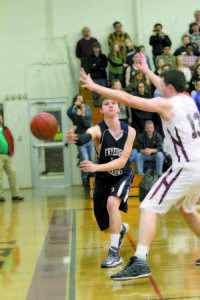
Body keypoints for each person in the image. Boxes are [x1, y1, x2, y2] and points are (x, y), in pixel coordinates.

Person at [79, 52, 200, 280]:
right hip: (199, 165)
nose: (158, 86)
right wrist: (146, 71)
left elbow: (129, 100)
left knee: (148, 206)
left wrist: (96, 87)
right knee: (187, 208)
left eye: (161, 84)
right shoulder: (187, 99)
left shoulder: (167, 103)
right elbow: (165, 84)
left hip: (187, 167)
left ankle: (141, 261)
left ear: (169, 88)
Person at [67, 96, 136, 268]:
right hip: (103, 178)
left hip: (122, 174)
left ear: (119, 108)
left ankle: (114, 253)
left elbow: (121, 162)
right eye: (106, 104)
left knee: (113, 203)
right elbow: (86, 136)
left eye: (114, 103)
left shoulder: (130, 131)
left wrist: (95, 168)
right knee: (106, 227)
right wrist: (76, 138)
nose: (111, 105)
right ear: (102, 110)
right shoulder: (98, 129)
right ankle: (120, 230)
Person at [67, 94, 95, 187]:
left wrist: (81, 114)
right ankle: (85, 179)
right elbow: (69, 113)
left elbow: (86, 124)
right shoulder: (75, 110)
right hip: (80, 137)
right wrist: (74, 105)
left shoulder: (86, 109)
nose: (80, 102)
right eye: (78, 100)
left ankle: (92, 177)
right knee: (85, 159)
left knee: (91, 159)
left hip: (88, 136)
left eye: (82, 100)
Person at [0, 114, 24, 202]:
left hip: (8, 155)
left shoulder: (6, 130)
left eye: (0, 118)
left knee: (13, 173)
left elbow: (11, 140)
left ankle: (15, 195)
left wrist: (11, 151)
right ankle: (0, 196)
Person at [88, 42, 108, 107]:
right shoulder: (90, 57)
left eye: (98, 48)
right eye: (95, 48)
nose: (97, 49)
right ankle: (96, 105)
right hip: (94, 77)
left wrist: (96, 65)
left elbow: (105, 65)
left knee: (103, 91)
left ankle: (104, 103)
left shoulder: (103, 56)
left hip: (102, 76)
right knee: (95, 91)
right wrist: (99, 66)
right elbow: (91, 66)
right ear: (93, 49)